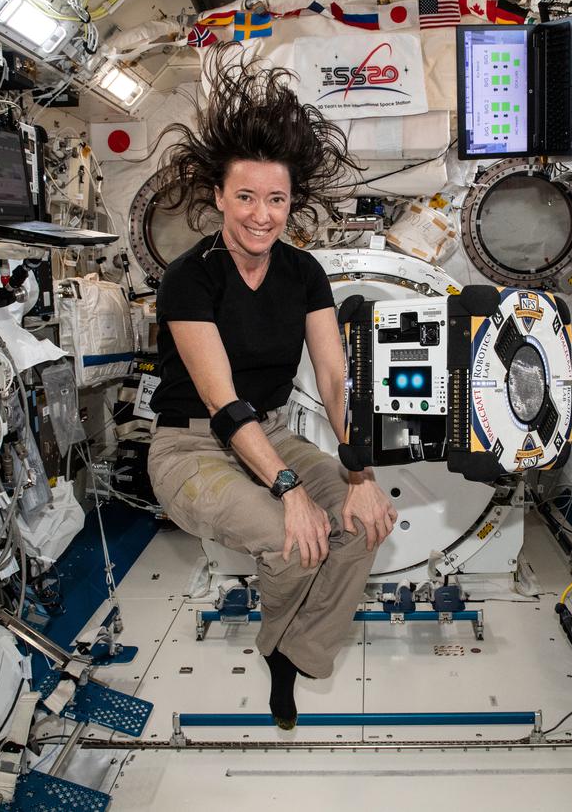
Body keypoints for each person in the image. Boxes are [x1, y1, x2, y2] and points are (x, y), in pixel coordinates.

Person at [145, 46, 398, 730]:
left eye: (276, 199)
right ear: (220, 196)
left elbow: (335, 376)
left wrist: (358, 471)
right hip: (191, 447)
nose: (262, 214)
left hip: (274, 429)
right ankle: (280, 650)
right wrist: (289, 493)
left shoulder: (304, 272)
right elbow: (222, 402)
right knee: (293, 538)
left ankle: (294, 649)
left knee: (361, 523)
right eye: (247, 196)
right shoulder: (189, 277)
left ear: (294, 202)